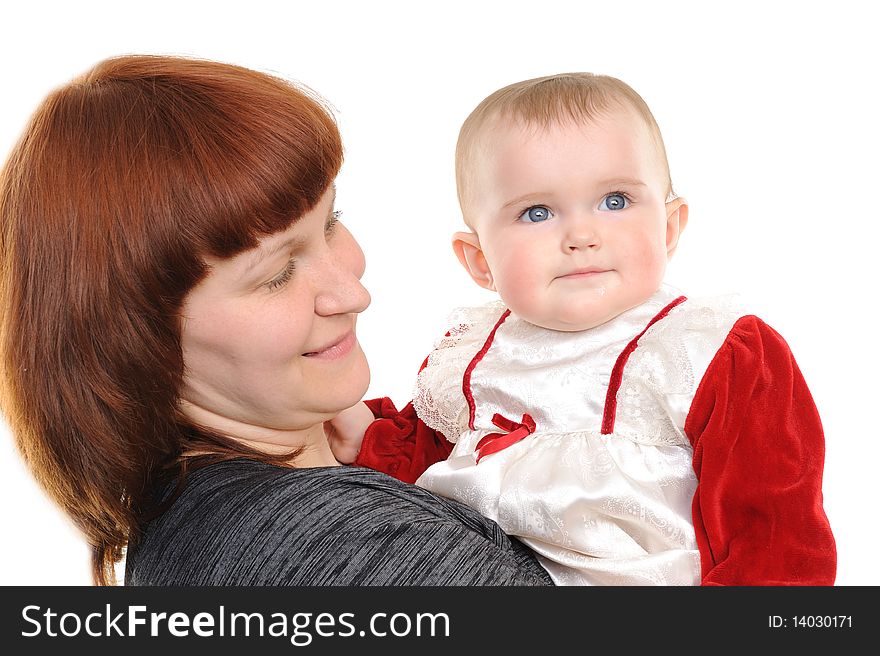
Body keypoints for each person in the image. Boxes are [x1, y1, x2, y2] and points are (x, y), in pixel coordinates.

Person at [0, 55, 554, 586]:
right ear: (135, 340)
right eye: (277, 273)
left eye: (331, 221)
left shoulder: (212, 524)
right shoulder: (343, 552)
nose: (352, 293)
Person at [337, 72, 838, 585]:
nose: (581, 235)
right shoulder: (471, 356)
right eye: (537, 212)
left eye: (615, 201)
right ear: (480, 260)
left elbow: (773, 531)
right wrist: (358, 432)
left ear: (668, 229)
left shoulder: (710, 351)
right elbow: (422, 470)